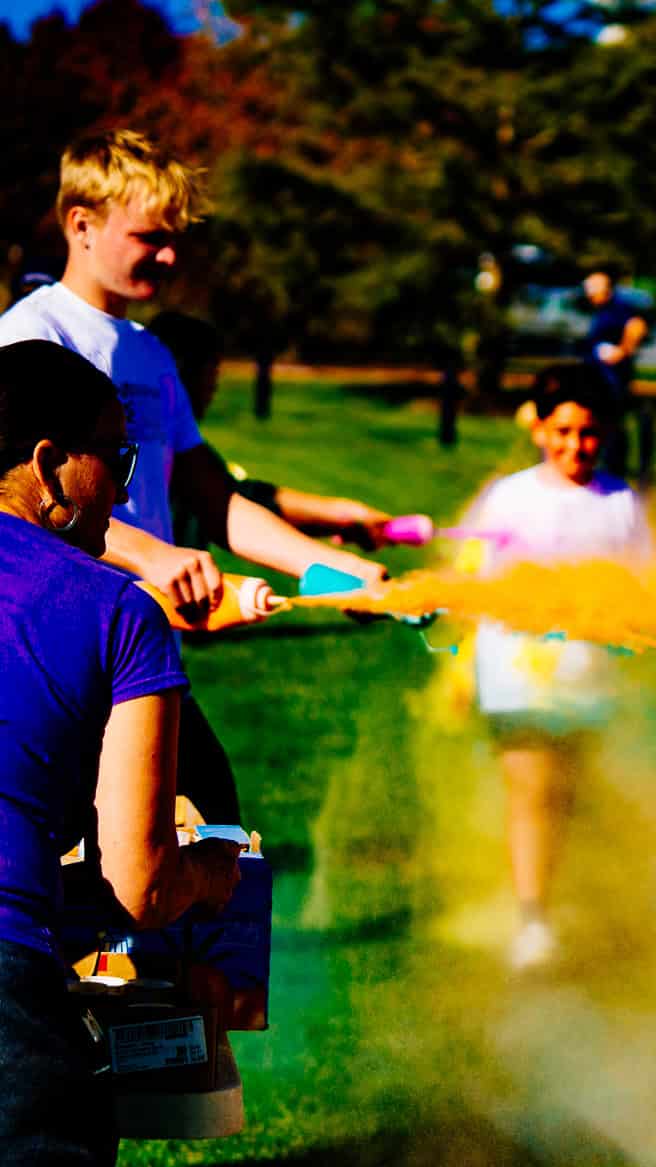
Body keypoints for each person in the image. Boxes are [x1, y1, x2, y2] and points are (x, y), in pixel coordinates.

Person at [0, 129, 385, 824]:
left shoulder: (151, 355)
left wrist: (330, 567)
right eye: (150, 237)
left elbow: (213, 494)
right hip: (56, 653)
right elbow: (20, 502)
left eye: (174, 238)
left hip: (142, 651)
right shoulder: (31, 337)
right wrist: (155, 555)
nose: (171, 256)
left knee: (216, 829)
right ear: (81, 225)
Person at [0, 340, 240, 1167]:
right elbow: (140, 881)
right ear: (50, 463)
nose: (130, 490)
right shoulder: (117, 612)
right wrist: (213, 869)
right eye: (118, 456)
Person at [463, 363, 652, 970]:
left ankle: (562, 904)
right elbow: (476, 584)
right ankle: (533, 921)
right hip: (516, 675)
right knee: (533, 790)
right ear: (539, 429)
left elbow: (643, 588)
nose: (576, 446)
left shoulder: (621, 503)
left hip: (589, 676)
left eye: (588, 433)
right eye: (564, 431)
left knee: (571, 797)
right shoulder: (510, 498)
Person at [146, 312, 393, 550]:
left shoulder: (185, 451)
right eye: (213, 371)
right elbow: (236, 508)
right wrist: (341, 525)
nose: (215, 386)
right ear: (183, 373)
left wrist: (342, 516)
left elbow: (248, 505)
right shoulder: (158, 455)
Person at [578, 267, 652, 482]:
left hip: (613, 381)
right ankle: (601, 464)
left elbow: (637, 326)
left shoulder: (618, 308)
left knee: (612, 426)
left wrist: (623, 350)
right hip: (598, 378)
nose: (590, 293)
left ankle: (614, 468)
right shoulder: (601, 311)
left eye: (594, 288)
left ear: (606, 288)